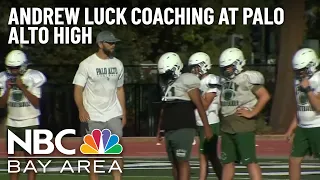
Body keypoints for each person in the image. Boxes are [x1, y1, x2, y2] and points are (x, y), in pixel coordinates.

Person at [73, 30, 126, 180]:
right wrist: (81, 109)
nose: (113, 45)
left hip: (113, 113)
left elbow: (120, 89)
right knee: (93, 151)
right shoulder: (87, 64)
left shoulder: (118, 64)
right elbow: (78, 88)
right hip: (93, 114)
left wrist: (124, 113)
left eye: (114, 42)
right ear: (100, 44)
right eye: (110, 42)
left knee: (116, 149)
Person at [156, 52, 213, 180]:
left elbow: (199, 105)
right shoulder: (166, 85)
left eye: (167, 74)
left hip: (184, 126)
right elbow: (164, 108)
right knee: (174, 163)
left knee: (182, 161)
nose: (165, 77)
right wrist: (160, 128)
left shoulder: (187, 79)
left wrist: (207, 127)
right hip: (170, 128)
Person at [218, 48, 270, 180]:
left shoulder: (246, 78)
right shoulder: (224, 80)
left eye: (229, 67)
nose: (226, 70)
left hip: (242, 125)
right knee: (227, 162)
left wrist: (252, 112)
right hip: (226, 126)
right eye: (225, 67)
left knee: (249, 161)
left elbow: (264, 96)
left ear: (238, 63)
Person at [0, 49, 47, 180]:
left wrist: (22, 87)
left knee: (30, 159)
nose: (13, 71)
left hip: (29, 122)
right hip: (12, 122)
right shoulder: (3, 78)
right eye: (10, 68)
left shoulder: (34, 77)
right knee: (13, 162)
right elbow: (2, 104)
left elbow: (36, 102)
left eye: (16, 68)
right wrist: (7, 90)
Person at [285, 48, 320, 180]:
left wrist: (309, 90)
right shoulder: (298, 81)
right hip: (303, 127)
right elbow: (301, 107)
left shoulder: (318, 78)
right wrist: (291, 128)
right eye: (298, 70)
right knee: (294, 160)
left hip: (318, 126)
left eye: (303, 69)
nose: (300, 73)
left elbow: (318, 107)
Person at [188, 52, 223, 180]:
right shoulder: (197, 81)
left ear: (204, 65)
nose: (193, 70)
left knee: (203, 155)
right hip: (200, 122)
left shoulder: (211, 80)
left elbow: (205, 104)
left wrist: (194, 92)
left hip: (210, 121)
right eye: (192, 67)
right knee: (212, 157)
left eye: (196, 66)